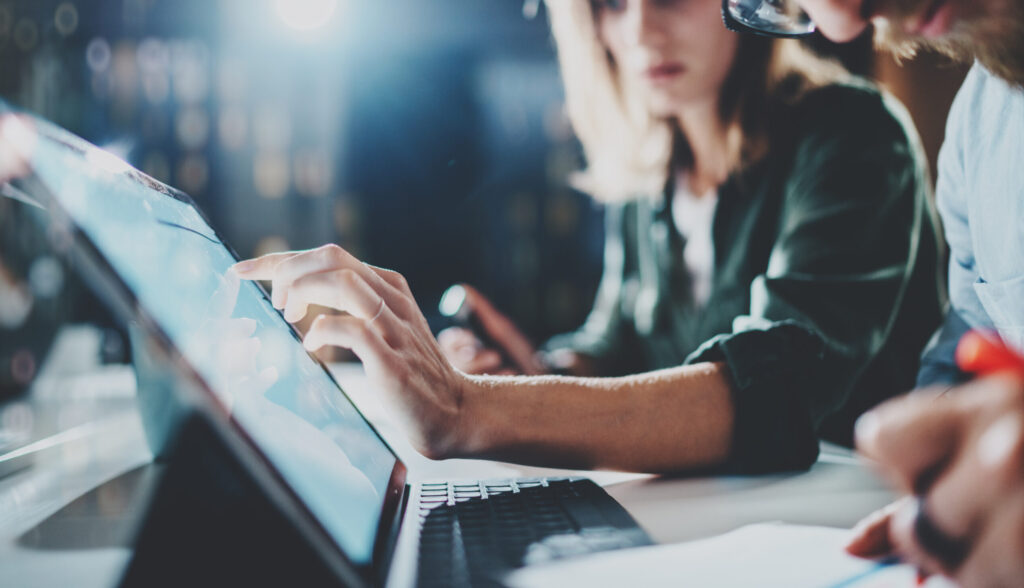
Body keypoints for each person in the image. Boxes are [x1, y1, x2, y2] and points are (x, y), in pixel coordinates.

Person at [233, 0, 943, 476]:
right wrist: (530, 371)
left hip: (857, 532)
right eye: (609, 2)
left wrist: (467, 406)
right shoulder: (653, 177)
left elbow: (781, 387)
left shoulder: (854, 134)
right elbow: (617, 345)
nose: (637, 31)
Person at [762, 0, 1024, 585]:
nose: (842, 20)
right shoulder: (979, 127)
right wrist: (943, 490)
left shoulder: (855, 134)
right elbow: (966, 350)